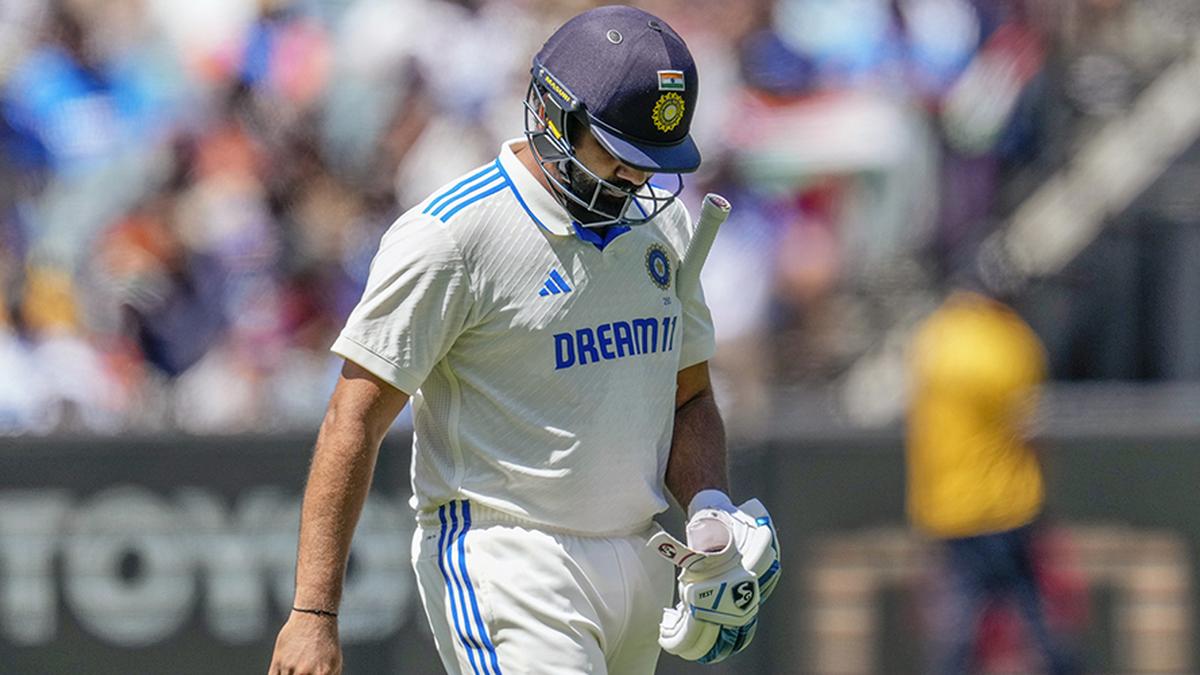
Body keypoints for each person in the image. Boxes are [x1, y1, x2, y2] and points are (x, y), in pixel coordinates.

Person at [268, 7, 779, 675]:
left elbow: (688, 397)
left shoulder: (666, 231)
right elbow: (352, 420)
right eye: (620, 155)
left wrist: (709, 506)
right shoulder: (453, 235)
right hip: (509, 558)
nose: (636, 180)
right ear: (557, 117)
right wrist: (314, 612)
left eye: (650, 162)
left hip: (637, 556)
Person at [907, 280, 1079, 675]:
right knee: (1041, 627)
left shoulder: (935, 336)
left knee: (955, 638)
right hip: (1008, 510)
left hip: (946, 510)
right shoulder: (1011, 341)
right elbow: (1031, 432)